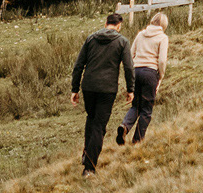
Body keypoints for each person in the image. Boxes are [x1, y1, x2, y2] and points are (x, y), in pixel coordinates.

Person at [70, 13, 135, 178]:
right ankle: (89, 168)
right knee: (99, 125)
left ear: (105, 23)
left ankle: (86, 153)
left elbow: (78, 65)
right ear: (119, 26)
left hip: (89, 86)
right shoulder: (122, 41)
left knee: (91, 119)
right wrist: (130, 89)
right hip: (107, 89)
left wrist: (75, 89)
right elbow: (128, 67)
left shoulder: (91, 39)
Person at [117, 12, 169, 146]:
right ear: (164, 25)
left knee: (136, 105)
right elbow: (162, 61)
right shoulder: (163, 38)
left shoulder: (141, 34)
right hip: (150, 73)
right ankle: (137, 141)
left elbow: (130, 53)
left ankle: (125, 126)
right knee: (146, 109)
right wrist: (160, 76)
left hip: (136, 71)